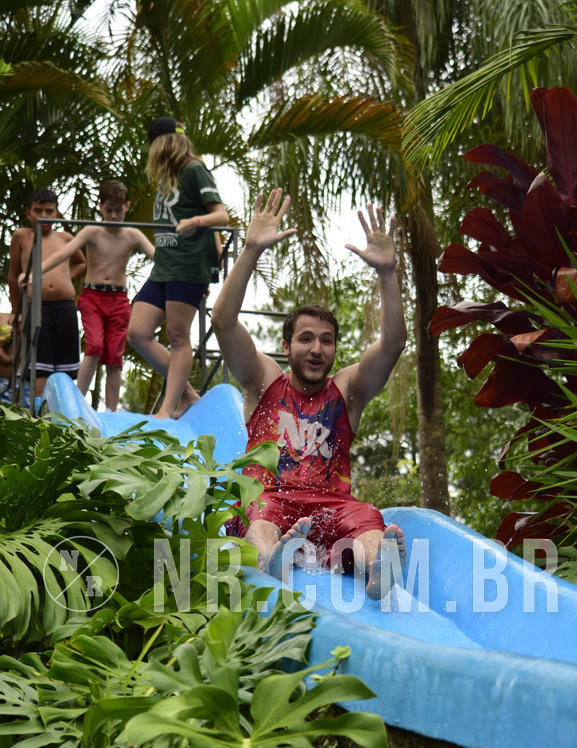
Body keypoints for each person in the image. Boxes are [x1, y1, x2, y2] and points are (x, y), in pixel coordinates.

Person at [211, 188, 407, 600]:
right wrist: (249, 249)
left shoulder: (347, 392)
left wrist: (388, 275)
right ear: (287, 346)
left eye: (326, 340)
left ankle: (377, 568)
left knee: (367, 519)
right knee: (260, 515)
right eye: (305, 339)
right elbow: (224, 323)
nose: (317, 349)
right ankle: (272, 561)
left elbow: (391, 346)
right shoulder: (265, 381)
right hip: (271, 500)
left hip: (330, 508)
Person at [126, 116, 229, 419]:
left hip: (187, 264)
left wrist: (195, 222)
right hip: (165, 264)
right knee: (137, 332)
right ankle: (187, 395)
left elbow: (220, 215)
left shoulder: (194, 170)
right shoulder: (166, 177)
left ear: (164, 144)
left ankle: (169, 407)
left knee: (177, 334)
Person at [25, 180, 155, 411]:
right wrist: (36, 272)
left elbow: (158, 257)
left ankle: (111, 412)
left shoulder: (132, 235)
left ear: (127, 206)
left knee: (115, 357)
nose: (114, 216)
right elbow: (64, 253)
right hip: (93, 296)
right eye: (108, 210)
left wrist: (187, 277)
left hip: (119, 299)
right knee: (94, 347)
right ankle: (76, 405)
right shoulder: (91, 232)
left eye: (118, 210)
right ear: (100, 207)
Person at [8, 188, 86, 397]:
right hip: (36, 307)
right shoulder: (22, 236)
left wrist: (65, 278)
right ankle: (40, 414)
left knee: (66, 368)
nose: (44, 216)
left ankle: (64, 413)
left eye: (49, 211)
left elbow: (81, 262)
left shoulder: (66, 238)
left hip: (65, 307)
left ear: (57, 214)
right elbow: (13, 276)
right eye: (38, 210)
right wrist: (17, 312)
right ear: (28, 213)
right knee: (39, 367)